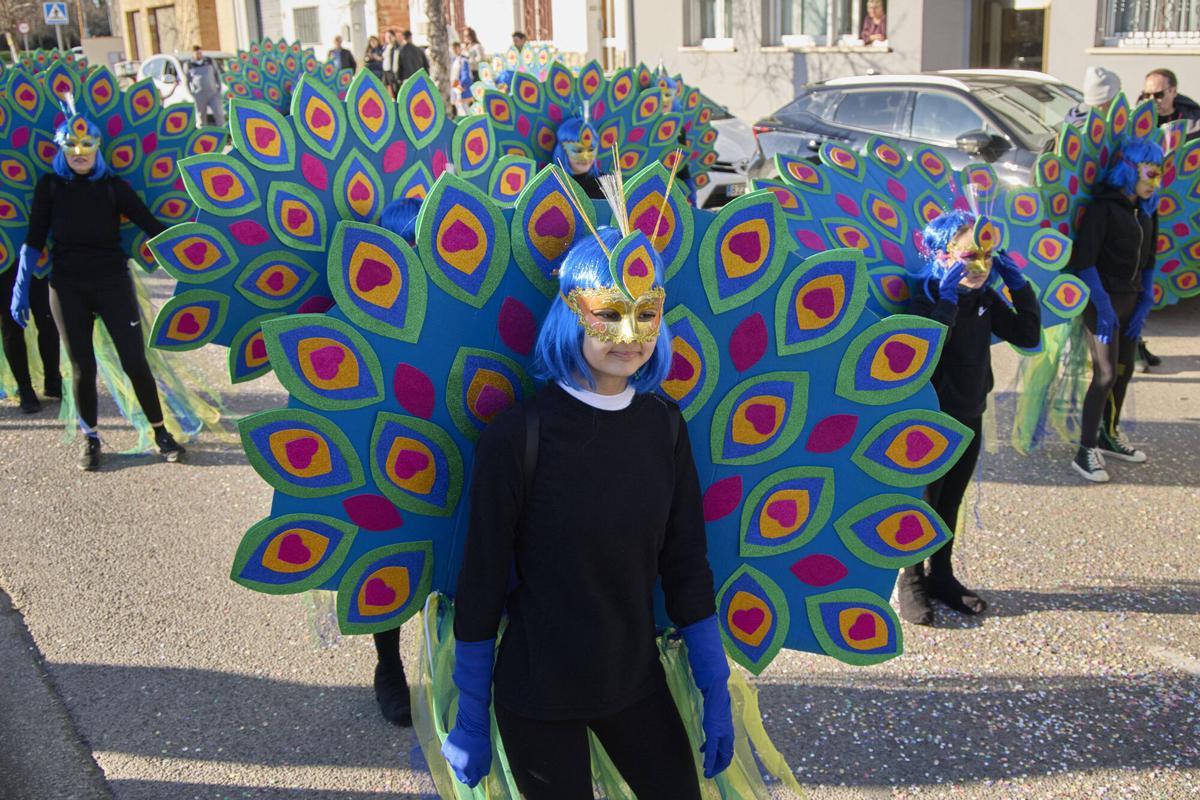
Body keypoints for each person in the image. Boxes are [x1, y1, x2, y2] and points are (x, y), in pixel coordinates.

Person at [440, 226, 734, 797]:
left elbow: (685, 564)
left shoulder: (664, 427)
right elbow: (481, 579)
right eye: (610, 314)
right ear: (574, 314)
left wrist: (714, 685)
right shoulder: (517, 437)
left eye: (646, 314)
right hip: (538, 692)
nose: (630, 335)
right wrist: (472, 710)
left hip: (635, 684)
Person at [10, 111, 185, 470]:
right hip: (67, 287)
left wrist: (191, 255)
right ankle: (90, 440)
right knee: (81, 366)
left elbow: (151, 225)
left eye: (86, 144)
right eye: (71, 145)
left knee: (135, 361)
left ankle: (161, 433)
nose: (79, 151)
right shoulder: (51, 186)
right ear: (61, 148)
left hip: (112, 284)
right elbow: (34, 239)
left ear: (98, 147)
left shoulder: (112, 186)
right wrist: (21, 285)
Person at [896, 212, 1041, 625]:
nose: (981, 267)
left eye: (988, 257)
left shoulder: (986, 298)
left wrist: (1018, 285)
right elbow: (915, 358)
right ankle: (912, 580)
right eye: (970, 256)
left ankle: (941, 574)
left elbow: (1028, 336)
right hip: (929, 419)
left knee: (950, 500)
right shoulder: (925, 294)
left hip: (969, 412)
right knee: (923, 499)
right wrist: (945, 303)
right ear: (943, 255)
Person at [1067, 138, 1163, 483]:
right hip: (1101, 303)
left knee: (1123, 372)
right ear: (1130, 170)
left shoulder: (1147, 211)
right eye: (1150, 171)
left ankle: (1109, 434)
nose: (1155, 180)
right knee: (1105, 374)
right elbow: (1084, 263)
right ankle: (1085, 450)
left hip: (1131, 302)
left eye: (1159, 173)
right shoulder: (1102, 210)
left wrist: (1146, 300)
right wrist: (1103, 307)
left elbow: (1149, 260)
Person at [1, 254, 60, 413]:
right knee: (11, 326)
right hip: (3, 261)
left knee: (48, 319)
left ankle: (53, 379)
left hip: (36, 255)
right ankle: (25, 389)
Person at [551, 117, 603, 198]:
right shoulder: (554, 186)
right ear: (563, 152)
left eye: (591, 149)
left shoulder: (607, 184)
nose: (585, 157)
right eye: (578, 151)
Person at [1141, 68, 1200, 139]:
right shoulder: (1134, 123)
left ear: (1173, 91)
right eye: (1146, 95)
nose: (1152, 100)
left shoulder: (1194, 124)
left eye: (1158, 95)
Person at [185, 45, 224, 128]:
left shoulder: (209, 61)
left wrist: (219, 89)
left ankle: (223, 132)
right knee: (201, 116)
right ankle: (202, 133)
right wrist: (191, 93)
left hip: (213, 93)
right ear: (193, 54)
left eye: (200, 53)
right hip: (199, 94)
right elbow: (187, 81)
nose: (199, 55)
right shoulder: (189, 64)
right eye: (197, 53)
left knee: (219, 113)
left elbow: (217, 74)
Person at [449, 42, 473, 117]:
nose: (455, 50)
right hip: (454, 87)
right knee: (457, 108)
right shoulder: (453, 60)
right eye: (453, 49)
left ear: (459, 48)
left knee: (464, 109)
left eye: (456, 48)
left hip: (461, 87)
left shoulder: (463, 60)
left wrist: (462, 85)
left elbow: (466, 73)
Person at [381, 30, 401, 97]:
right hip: (386, 72)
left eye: (390, 36)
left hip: (394, 72)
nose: (388, 38)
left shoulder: (397, 47)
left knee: (395, 90)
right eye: (387, 37)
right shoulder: (385, 47)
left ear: (394, 37)